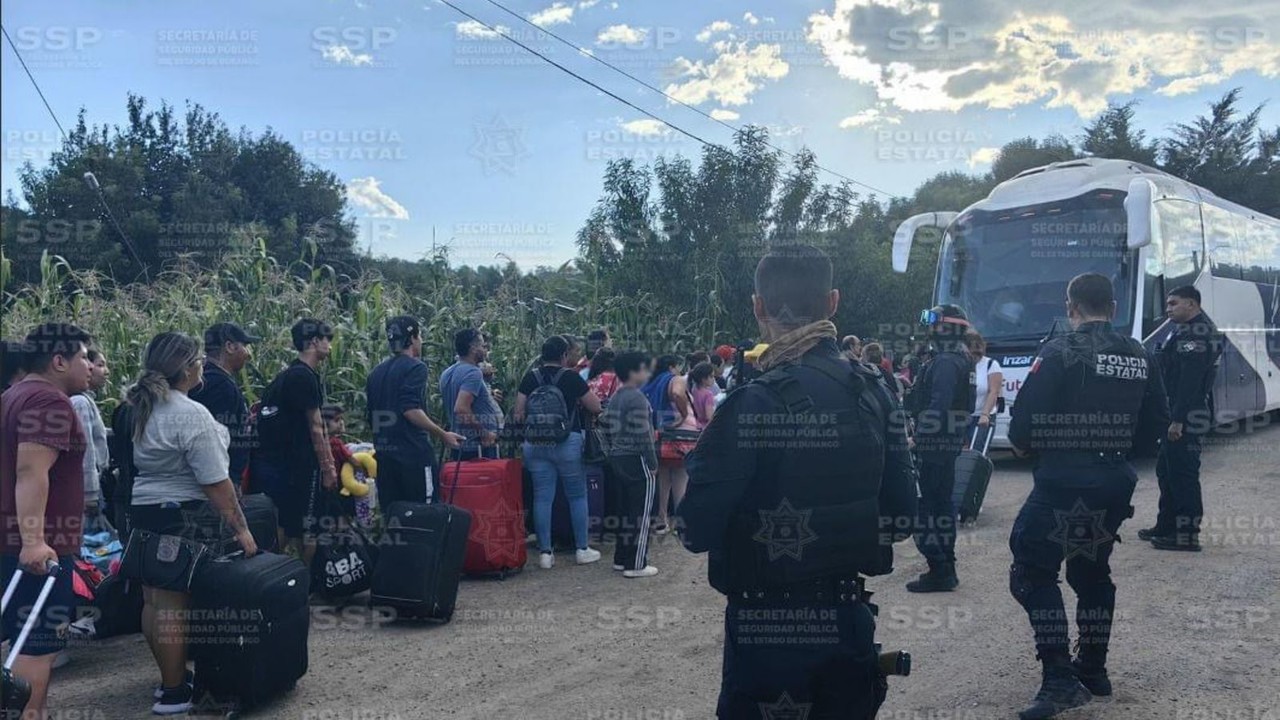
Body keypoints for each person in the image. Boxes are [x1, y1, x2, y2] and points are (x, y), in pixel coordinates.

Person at [678, 245, 916, 718]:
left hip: (768, 636)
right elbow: (903, 515)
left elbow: (695, 530)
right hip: (847, 622)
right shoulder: (875, 390)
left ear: (758, 307)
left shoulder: (752, 402)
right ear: (832, 303)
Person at [1007, 273, 1169, 719]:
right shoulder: (1141, 354)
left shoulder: (1060, 350)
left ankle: (1059, 679)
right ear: (1113, 308)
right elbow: (1158, 422)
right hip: (1114, 478)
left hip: (1065, 478)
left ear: (1070, 307)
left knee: (1031, 572)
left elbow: (1023, 424)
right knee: (1091, 572)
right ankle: (1093, 670)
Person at [124, 332, 258, 714]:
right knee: (173, 606)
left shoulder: (143, 406)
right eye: (198, 359)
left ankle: (172, 679)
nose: (203, 364)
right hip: (181, 513)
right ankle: (174, 692)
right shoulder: (191, 413)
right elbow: (216, 483)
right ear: (187, 368)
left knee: (154, 599)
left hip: (146, 509)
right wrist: (242, 529)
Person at [1, 323, 93, 719]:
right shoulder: (49, 402)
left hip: (11, 544)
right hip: (35, 553)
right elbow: (30, 470)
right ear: (59, 361)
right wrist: (34, 541)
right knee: (36, 646)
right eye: (84, 356)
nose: (89, 365)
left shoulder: (11, 397)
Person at [1139, 286, 1224, 552]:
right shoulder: (1185, 329)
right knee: (1166, 470)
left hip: (1187, 414)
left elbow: (1190, 382)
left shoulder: (1198, 333)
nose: (1168, 309)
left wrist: (1177, 420)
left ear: (1191, 304)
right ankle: (1166, 525)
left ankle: (1187, 534)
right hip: (1179, 411)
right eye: (1167, 304)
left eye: (1173, 304)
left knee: (1183, 474)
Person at [252, 318, 338, 566]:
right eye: (327, 340)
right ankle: (302, 585)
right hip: (301, 467)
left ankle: (270, 575)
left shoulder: (285, 375)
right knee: (306, 529)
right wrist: (328, 468)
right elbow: (316, 426)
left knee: (287, 525)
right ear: (314, 342)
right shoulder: (305, 377)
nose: (330, 346)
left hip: (278, 467)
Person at [513, 335, 604, 569]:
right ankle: (582, 549)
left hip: (535, 445)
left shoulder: (529, 378)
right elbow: (595, 406)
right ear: (564, 355)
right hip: (567, 442)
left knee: (543, 497)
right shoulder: (571, 378)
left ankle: (545, 553)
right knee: (577, 495)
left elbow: (518, 413)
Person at [904, 304, 975, 593]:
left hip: (934, 445)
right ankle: (946, 567)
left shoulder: (946, 361)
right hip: (948, 443)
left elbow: (939, 404)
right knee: (942, 505)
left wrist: (917, 437)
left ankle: (939, 567)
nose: (928, 326)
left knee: (924, 508)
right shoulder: (960, 358)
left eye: (932, 320)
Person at [367, 316, 463, 507]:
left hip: (384, 457)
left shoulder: (375, 373)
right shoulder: (416, 367)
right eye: (420, 336)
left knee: (394, 514)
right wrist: (443, 434)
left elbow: (372, 415)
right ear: (412, 338)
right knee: (424, 512)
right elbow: (410, 410)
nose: (421, 341)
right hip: (413, 456)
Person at [599, 351, 659, 578]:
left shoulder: (616, 396)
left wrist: (612, 449)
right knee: (641, 513)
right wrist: (652, 462)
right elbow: (644, 434)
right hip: (637, 458)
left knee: (625, 511)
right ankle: (636, 564)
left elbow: (603, 423)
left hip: (618, 457)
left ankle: (621, 558)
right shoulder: (637, 398)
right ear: (634, 372)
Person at [189, 322, 260, 484]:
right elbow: (216, 441)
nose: (248, 354)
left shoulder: (203, 379)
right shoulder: (220, 386)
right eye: (244, 346)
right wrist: (230, 481)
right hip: (217, 482)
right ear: (229, 347)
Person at [642, 354, 694, 534]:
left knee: (662, 478)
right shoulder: (675, 379)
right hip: (675, 434)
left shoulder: (649, 381)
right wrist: (684, 415)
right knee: (680, 477)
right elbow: (678, 393)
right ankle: (681, 522)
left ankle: (661, 519)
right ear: (672, 367)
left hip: (655, 433)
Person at [440, 328, 503, 461]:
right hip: (478, 448)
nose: (484, 349)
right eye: (481, 345)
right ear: (472, 348)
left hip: (460, 446)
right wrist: (484, 433)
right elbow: (461, 409)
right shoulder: (473, 372)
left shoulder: (447, 373)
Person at [71, 349, 111, 534]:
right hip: (88, 488)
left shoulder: (86, 400)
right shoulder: (80, 402)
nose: (107, 371)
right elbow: (84, 448)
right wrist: (90, 493)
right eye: (100, 365)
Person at [965, 330, 1004, 450]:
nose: (974, 357)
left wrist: (985, 414)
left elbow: (994, 391)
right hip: (963, 416)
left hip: (982, 416)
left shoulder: (991, 365)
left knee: (977, 450)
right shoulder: (961, 364)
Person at [687, 361, 718, 429]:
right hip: (705, 427)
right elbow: (709, 416)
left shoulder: (694, 391)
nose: (713, 379)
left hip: (696, 424)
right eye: (711, 376)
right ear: (703, 379)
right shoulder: (708, 394)